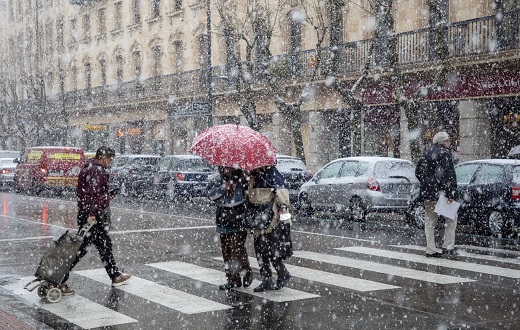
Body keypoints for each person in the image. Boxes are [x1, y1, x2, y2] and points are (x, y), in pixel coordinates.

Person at [58, 147, 131, 295]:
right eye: (109, 159)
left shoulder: (90, 167)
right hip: (92, 217)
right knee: (80, 249)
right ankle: (59, 279)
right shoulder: (96, 170)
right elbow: (91, 194)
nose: (110, 162)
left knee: (102, 246)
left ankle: (115, 275)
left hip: (90, 214)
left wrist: (107, 196)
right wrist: (92, 213)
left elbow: (92, 193)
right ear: (103, 157)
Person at [246, 166, 293, 292]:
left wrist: (282, 211)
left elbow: (282, 197)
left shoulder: (271, 174)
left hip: (272, 217)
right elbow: (250, 196)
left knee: (273, 250)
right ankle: (266, 279)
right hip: (257, 216)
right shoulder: (252, 176)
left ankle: (282, 274)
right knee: (260, 250)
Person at [208, 167, 253, 291]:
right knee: (226, 250)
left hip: (239, 219)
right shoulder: (218, 178)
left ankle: (247, 272)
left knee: (236, 248)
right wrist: (224, 188)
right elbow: (211, 194)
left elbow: (246, 197)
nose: (226, 169)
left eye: (229, 167)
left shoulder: (243, 178)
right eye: (224, 167)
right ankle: (232, 279)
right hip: (223, 220)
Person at [415, 131, 458, 258]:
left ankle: (430, 249)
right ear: (443, 142)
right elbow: (448, 175)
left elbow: (418, 171)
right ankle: (448, 246)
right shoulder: (445, 153)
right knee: (451, 219)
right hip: (442, 193)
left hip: (428, 193)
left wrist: (426, 183)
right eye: (448, 141)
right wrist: (450, 193)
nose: (450, 143)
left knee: (430, 221)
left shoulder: (427, 153)